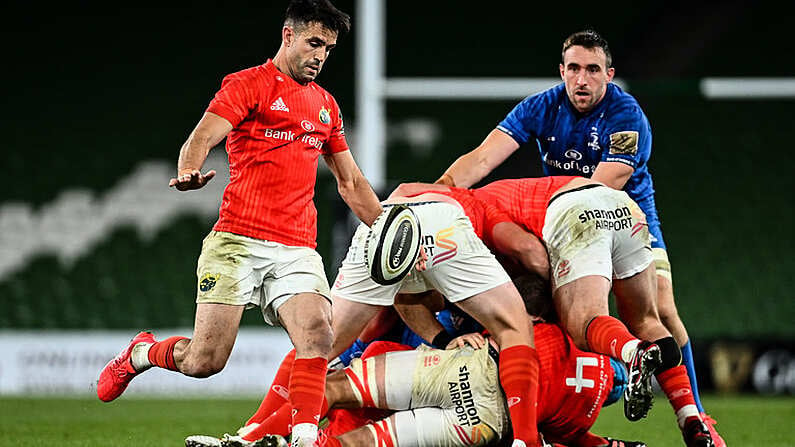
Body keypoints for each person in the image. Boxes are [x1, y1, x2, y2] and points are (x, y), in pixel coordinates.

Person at [96, 2, 382, 446]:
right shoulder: (249, 84)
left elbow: (351, 182)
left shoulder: (326, 106)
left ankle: (305, 437)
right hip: (237, 241)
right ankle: (141, 354)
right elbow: (201, 138)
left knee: (318, 336)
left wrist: (385, 229)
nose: (321, 55)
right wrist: (189, 170)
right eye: (314, 43)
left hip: (297, 247)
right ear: (288, 36)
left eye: (328, 48)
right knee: (205, 361)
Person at [434, 30, 724, 446]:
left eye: (592, 70)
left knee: (659, 308)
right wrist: (437, 191)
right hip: (571, 221)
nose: (582, 80)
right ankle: (569, 411)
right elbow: (482, 157)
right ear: (561, 71)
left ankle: (695, 415)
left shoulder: (626, 114)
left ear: (609, 74)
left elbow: (606, 185)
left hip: (621, 218)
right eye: (573, 69)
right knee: (573, 312)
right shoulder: (542, 106)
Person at [399, 177, 712, 447]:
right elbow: (407, 189)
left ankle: (632, 353)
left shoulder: (471, 217)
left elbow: (532, 254)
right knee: (645, 320)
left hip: (575, 213)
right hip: (622, 207)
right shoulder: (436, 223)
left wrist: (554, 301)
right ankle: (689, 417)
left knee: (579, 323)